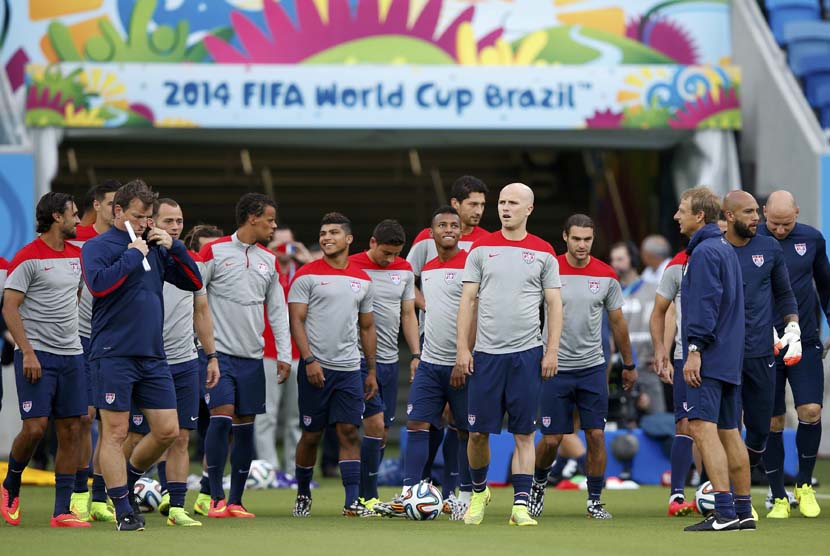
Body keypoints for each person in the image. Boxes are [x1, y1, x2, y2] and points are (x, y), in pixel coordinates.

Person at [81, 180, 203, 531]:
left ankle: (129, 479)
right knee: (115, 432)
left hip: (152, 354)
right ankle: (122, 510)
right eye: (139, 216)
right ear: (118, 212)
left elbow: (194, 282)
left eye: (150, 217)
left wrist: (175, 247)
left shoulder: (157, 245)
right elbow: (99, 285)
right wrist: (134, 253)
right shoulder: (97, 246)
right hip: (113, 353)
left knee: (168, 431)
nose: (146, 223)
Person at [456, 182, 563, 527]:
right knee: (476, 434)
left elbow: (555, 305)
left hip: (527, 355)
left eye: (513, 203)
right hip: (486, 355)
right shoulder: (481, 249)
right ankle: (478, 493)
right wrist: (462, 348)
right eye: (501, 202)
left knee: (523, 434)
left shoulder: (544, 251)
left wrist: (551, 351)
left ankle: (520, 505)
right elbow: (467, 301)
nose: (505, 208)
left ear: (529, 209)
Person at [530, 214, 637, 520]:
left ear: (593, 239)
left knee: (596, 436)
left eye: (587, 239)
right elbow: (529, 311)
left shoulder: (605, 275)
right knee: (551, 439)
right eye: (576, 238)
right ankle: (538, 486)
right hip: (554, 367)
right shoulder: (548, 270)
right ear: (565, 236)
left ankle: (594, 500)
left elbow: (618, 323)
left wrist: (628, 364)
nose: (581, 245)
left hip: (592, 368)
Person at [122, 199, 221, 526]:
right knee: (135, 436)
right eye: (169, 220)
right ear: (152, 222)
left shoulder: (192, 263)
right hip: (145, 360)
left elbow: (201, 312)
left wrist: (211, 356)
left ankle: (176, 505)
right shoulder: (137, 256)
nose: (176, 226)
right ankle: (111, 493)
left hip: (183, 361)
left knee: (180, 436)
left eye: (179, 220)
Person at [198, 193, 291, 518]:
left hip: (253, 357)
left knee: (246, 427)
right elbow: (195, 298)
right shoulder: (214, 251)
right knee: (222, 417)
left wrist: (284, 353)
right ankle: (214, 497)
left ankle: (236, 501)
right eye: (270, 219)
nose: (274, 225)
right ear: (252, 217)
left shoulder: (269, 260)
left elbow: (278, 310)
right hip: (218, 354)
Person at [0, 192, 89, 528]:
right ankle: (11, 482)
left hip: (72, 356)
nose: (78, 221)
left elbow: (75, 297)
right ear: (56, 217)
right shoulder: (28, 257)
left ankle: (61, 510)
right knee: (35, 428)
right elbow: (9, 307)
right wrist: (28, 352)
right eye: (74, 214)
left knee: (71, 429)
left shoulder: (75, 257)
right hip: (37, 357)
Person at [288, 212, 378, 517]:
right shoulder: (306, 274)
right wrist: (310, 360)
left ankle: (351, 501)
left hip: (350, 369)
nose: (326, 237)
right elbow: (296, 321)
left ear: (349, 239)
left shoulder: (362, 279)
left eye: (333, 233)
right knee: (312, 435)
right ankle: (303, 493)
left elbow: (367, 327)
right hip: (316, 368)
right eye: (323, 233)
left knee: (349, 432)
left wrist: (372, 370)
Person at [406, 176, 490, 506]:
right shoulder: (426, 246)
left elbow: (481, 300)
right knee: (426, 418)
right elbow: (404, 276)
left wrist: (465, 349)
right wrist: (422, 301)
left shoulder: (485, 244)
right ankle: (417, 490)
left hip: (469, 347)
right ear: (455, 203)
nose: (479, 211)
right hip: (432, 343)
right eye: (473, 203)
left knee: (461, 424)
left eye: (483, 205)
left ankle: (460, 492)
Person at [675, 187, 750, 532]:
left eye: (682, 210)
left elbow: (705, 305)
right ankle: (744, 509)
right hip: (730, 356)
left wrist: (694, 351)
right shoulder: (725, 249)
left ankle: (723, 511)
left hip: (709, 356)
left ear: (699, 216)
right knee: (730, 432)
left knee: (702, 429)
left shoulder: (704, 252)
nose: (677, 216)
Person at [722, 191, 799, 521]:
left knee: (759, 428)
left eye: (757, 212)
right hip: (724, 354)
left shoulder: (768, 249)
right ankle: (725, 493)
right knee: (725, 426)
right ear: (729, 216)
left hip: (760, 352)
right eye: (749, 212)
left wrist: (792, 328)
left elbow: (784, 293)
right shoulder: (715, 249)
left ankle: (736, 476)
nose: (756, 218)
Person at [758, 190, 830, 518]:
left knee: (811, 410)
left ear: (797, 214)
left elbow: (826, 285)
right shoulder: (751, 240)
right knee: (772, 419)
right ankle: (778, 496)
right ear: (763, 214)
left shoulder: (812, 240)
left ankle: (803, 485)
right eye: (775, 223)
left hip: (804, 338)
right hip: (762, 343)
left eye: (787, 223)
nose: (781, 229)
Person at [348, 219, 419, 511]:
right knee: (374, 425)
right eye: (385, 253)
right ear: (372, 243)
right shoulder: (352, 266)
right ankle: (366, 495)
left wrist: (416, 354)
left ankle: (366, 494)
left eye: (395, 253)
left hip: (390, 360)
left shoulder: (403, 269)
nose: (390, 259)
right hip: (359, 359)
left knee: (383, 431)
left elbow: (408, 314)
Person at [67, 179, 120, 523]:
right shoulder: (75, 239)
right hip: (80, 339)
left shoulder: (128, 242)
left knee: (110, 421)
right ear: (97, 205)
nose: (118, 210)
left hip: (114, 341)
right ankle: (79, 492)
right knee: (84, 418)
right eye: (113, 203)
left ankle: (101, 496)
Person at [182, 224, 225, 514]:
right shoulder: (181, 272)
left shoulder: (224, 278)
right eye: (204, 249)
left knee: (219, 422)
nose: (209, 257)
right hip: (183, 355)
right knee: (176, 429)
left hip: (214, 356)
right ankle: (163, 487)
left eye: (215, 250)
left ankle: (209, 491)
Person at [651, 247, 697, 516]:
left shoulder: (734, 255)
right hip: (684, 355)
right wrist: (664, 353)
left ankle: (719, 489)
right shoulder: (679, 264)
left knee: (724, 424)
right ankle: (677, 495)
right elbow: (667, 310)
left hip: (725, 356)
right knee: (686, 422)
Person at [254, 230, 304, 482]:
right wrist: (271, 252)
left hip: (299, 353)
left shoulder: (304, 272)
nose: (284, 248)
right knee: (266, 415)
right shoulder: (263, 268)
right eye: (278, 243)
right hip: (269, 353)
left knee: (296, 418)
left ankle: (295, 472)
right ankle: (269, 472)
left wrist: (303, 255)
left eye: (288, 243)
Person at [609, 242, 662, 414]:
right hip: (620, 370)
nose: (614, 264)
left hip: (648, 366)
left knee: (658, 420)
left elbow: (668, 321)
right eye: (612, 260)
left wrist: (662, 353)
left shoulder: (653, 290)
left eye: (620, 259)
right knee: (623, 424)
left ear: (632, 259)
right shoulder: (609, 292)